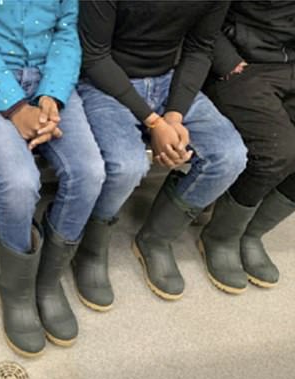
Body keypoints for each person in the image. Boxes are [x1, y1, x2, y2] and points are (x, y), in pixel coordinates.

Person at [0, 0, 106, 357]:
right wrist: (16, 107)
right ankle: (17, 291)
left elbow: (67, 34)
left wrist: (52, 94)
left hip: (48, 80)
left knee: (89, 173)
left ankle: (48, 280)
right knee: (20, 182)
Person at [77, 0, 247, 302]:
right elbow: (94, 57)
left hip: (167, 78)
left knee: (230, 156)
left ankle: (156, 239)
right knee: (126, 166)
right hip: (104, 81)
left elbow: (200, 48)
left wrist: (174, 115)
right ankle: (89, 249)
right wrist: (154, 122)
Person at [202, 1, 295, 291]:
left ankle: (251, 232)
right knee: (280, 151)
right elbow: (205, 9)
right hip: (244, 61)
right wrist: (225, 59)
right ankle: (220, 236)